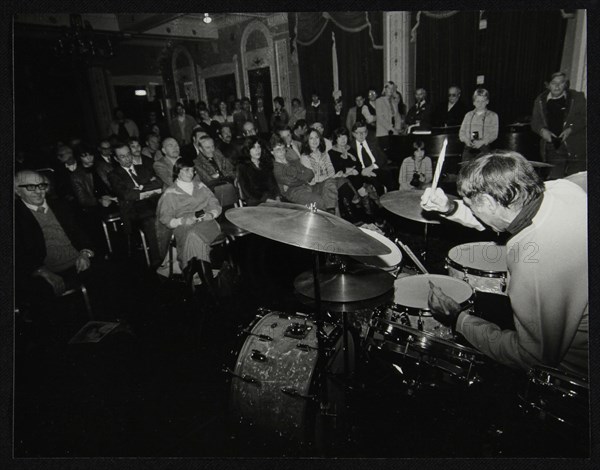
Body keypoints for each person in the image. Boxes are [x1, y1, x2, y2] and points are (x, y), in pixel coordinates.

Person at [420, 151, 588, 376]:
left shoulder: (534, 264)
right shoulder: (563, 189)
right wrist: (450, 208)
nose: (473, 211)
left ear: (488, 202)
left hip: (574, 374)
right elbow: (504, 215)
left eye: (472, 206)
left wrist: (458, 319)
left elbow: (531, 357)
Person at [15, 170, 96, 316]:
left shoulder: (61, 205)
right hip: (45, 271)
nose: (39, 191)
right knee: (42, 301)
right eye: (31, 187)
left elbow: (81, 233)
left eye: (42, 185)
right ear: (17, 190)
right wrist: (42, 271)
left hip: (78, 262)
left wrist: (84, 252)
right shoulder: (14, 216)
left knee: (110, 275)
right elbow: (16, 253)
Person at [156, 158, 222, 284]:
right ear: (178, 172)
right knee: (192, 236)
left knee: (193, 236)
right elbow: (165, 219)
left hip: (207, 223)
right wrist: (182, 221)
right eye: (186, 170)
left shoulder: (201, 186)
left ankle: (189, 276)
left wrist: (211, 214)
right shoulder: (170, 193)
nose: (190, 173)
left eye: (192, 170)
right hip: (184, 227)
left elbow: (215, 204)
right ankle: (208, 285)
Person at [108, 142, 163, 266]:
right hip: (132, 209)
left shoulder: (142, 168)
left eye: (128, 154)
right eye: (122, 156)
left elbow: (159, 183)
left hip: (152, 203)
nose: (127, 158)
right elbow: (126, 195)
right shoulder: (114, 175)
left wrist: (140, 188)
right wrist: (148, 190)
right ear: (116, 159)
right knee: (152, 221)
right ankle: (159, 260)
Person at [530, 71, 587, 179]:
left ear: (565, 84)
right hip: (553, 146)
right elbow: (535, 122)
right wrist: (542, 131)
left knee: (576, 181)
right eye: (553, 83)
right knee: (555, 180)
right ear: (547, 85)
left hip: (576, 146)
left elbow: (585, 117)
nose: (557, 86)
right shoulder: (540, 100)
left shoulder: (577, 97)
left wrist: (571, 129)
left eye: (561, 83)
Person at [271, 134, 337, 213]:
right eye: (278, 150)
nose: (281, 152)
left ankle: (333, 214)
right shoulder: (277, 169)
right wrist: (303, 176)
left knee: (330, 184)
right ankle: (328, 218)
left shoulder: (293, 161)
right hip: (295, 194)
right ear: (272, 152)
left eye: (283, 148)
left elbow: (310, 173)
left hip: (309, 187)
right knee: (319, 202)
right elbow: (292, 181)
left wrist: (299, 177)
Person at [349, 121, 395, 194]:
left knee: (389, 178)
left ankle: (391, 203)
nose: (361, 135)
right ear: (353, 134)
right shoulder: (351, 147)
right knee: (376, 185)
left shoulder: (373, 141)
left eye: (364, 132)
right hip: (362, 172)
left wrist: (371, 167)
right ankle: (380, 204)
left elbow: (383, 157)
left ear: (367, 133)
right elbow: (351, 164)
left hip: (376, 167)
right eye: (358, 133)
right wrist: (364, 171)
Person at [236, 136, 280, 206]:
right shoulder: (243, 167)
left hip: (272, 198)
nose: (257, 150)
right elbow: (248, 191)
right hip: (256, 201)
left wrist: (277, 197)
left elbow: (274, 184)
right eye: (253, 147)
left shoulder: (265, 163)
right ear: (248, 150)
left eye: (259, 147)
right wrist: (267, 200)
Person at [459, 88, 499, 162]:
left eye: (483, 101)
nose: (480, 104)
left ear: (487, 101)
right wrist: (466, 140)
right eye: (477, 101)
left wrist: (483, 142)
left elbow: (494, 134)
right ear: (473, 102)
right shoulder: (468, 115)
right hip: (469, 146)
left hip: (484, 147)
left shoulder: (493, 115)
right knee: (466, 169)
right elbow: (462, 132)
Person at [375, 81, 403, 153]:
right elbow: (381, 119)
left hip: (394, 133)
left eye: (392, 88)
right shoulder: (379, 101)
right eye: (389, 88)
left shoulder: (394, 102)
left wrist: (398, 129)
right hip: (383, 133)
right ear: (385, 89)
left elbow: (397, 116)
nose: (391, 90)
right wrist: (392, 129)